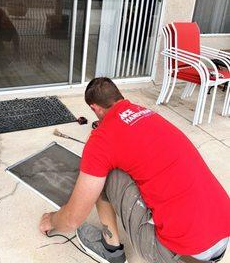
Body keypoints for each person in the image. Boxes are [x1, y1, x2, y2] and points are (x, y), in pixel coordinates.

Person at [39, 77, 230, 263]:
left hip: (184, 255)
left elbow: (72, 220)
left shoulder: (101, 139)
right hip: (222, 233)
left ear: (94, 108)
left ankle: (111, 250)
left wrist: (53, 220)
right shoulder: (149, 114)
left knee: (104, 174)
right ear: (119, 97)